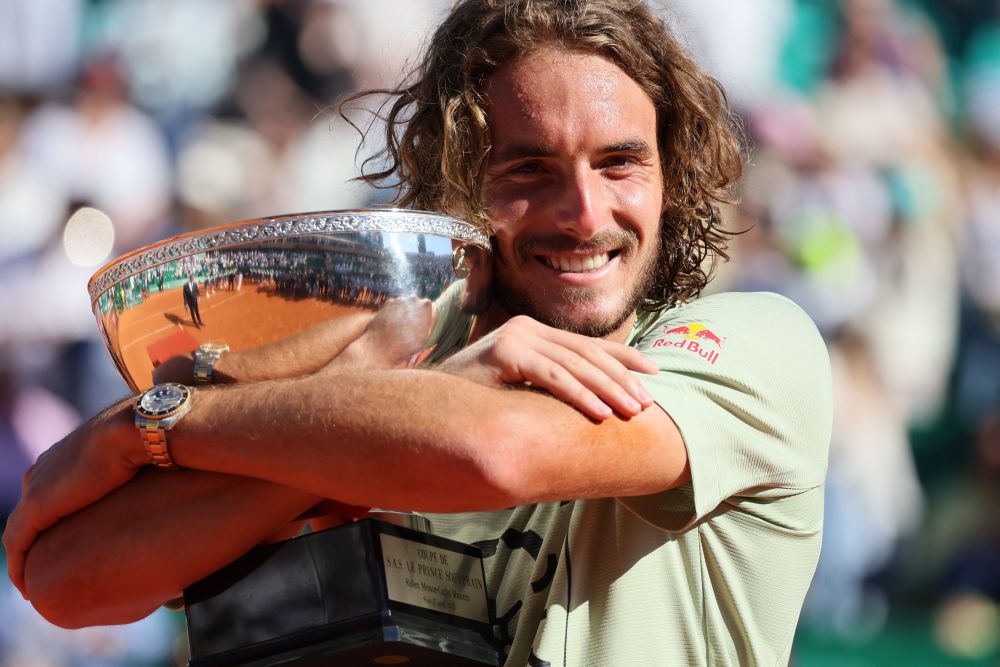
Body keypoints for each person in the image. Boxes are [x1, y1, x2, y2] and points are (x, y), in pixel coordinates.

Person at [3, 1, 832, 665]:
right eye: (528, 169)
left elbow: (494, 451)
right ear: (458, 178)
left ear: (671, 175)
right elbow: (66, 582)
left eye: (620, 163)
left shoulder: (758, 344)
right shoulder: (387, 358)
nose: (584, 214)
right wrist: (375, 394)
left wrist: (155, 424)